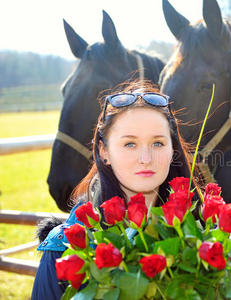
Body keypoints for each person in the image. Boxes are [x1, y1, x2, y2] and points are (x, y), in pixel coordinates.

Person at [31, 81, 200, 299]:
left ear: (172, 148)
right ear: (104, 152)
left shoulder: (202, 237)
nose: (146, 159)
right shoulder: (64, 248)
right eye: (130, 144)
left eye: (158, 143)